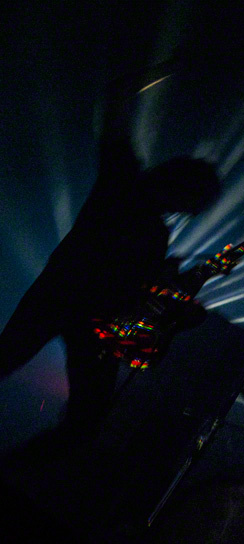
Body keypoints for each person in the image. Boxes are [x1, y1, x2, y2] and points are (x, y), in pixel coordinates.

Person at [0, 61, 220, 456]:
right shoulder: (124, 179)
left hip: (79, 311)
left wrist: (172, 292)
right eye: (195, 202)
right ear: (184, 188)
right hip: (68, 303)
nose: (190, 211)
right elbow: (116, 96)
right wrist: (174, 66)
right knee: (79, 415)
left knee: (83, 417)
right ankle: (24, 470)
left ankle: (23, 470)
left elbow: (137, 287)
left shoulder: (150, 221)